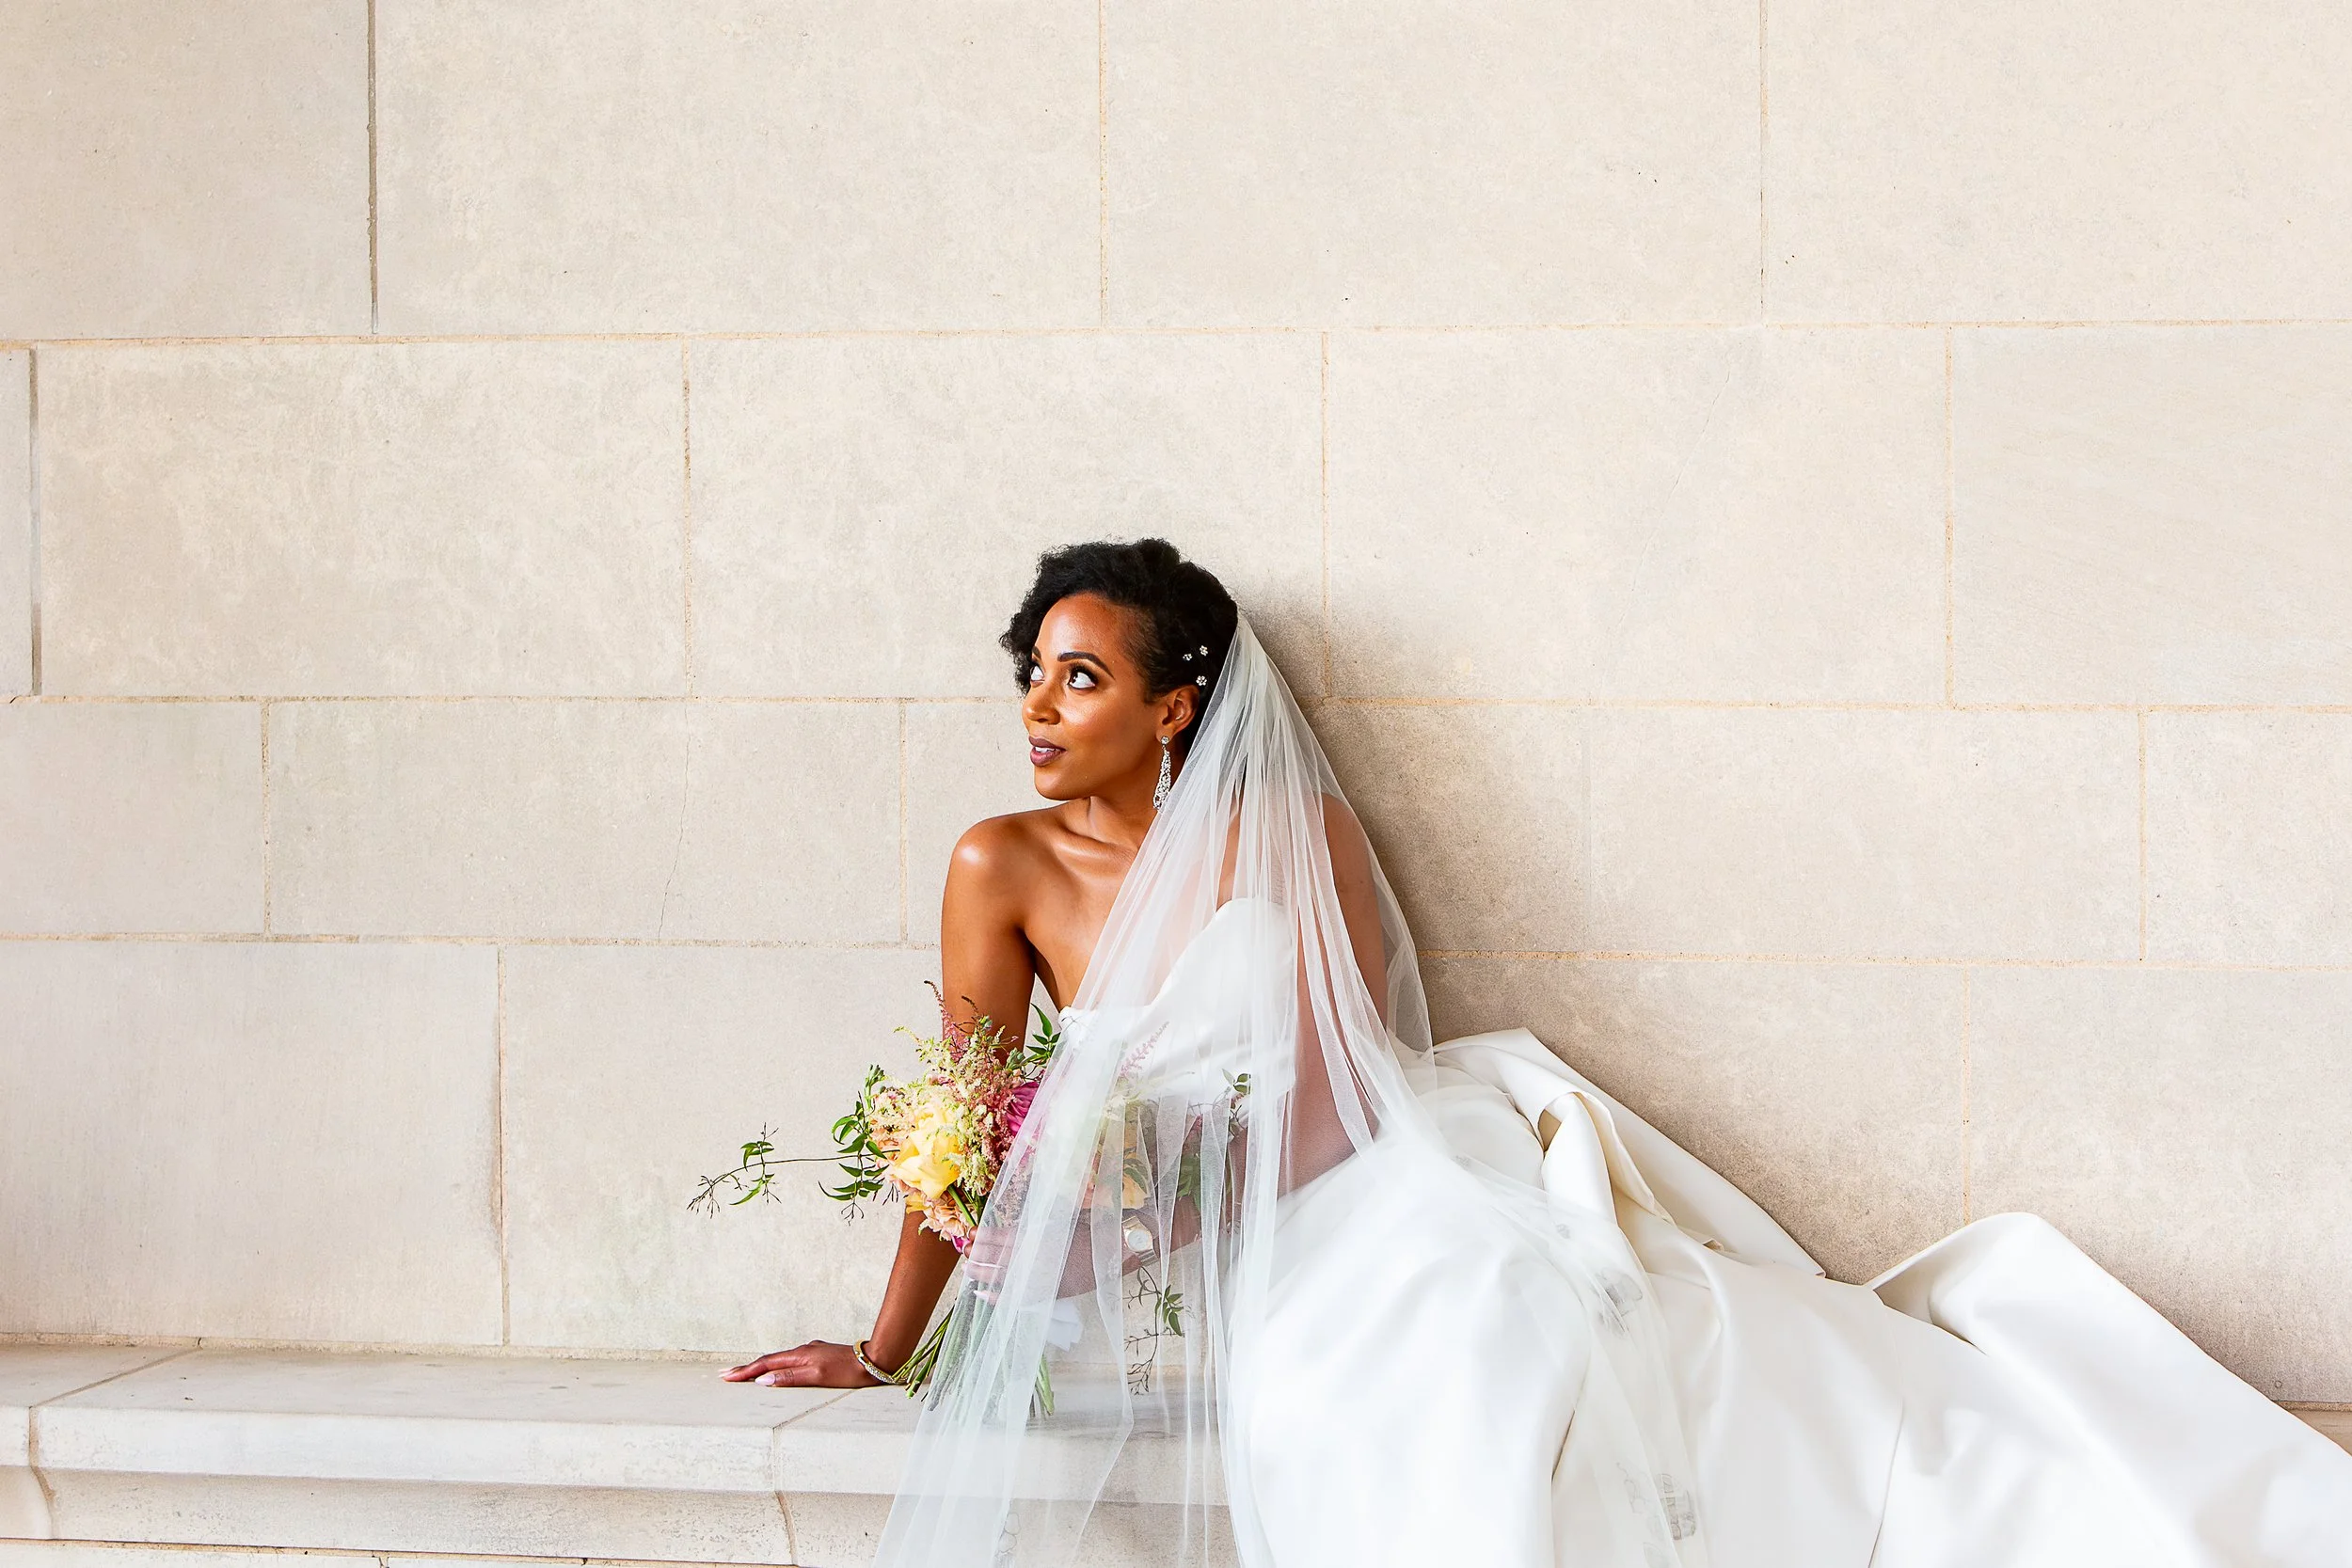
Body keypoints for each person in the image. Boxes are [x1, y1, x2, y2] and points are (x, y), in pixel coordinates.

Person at [724, 539, 2352, 1568]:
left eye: (1080, 673)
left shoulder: (1296, 833)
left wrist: (1150, 1224)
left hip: (1356, 1169)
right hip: (1194, 1221)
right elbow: (967, 1129)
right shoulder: (994, 864)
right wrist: (889, 1344)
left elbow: (1316, 1090)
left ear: (1175, 703)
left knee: (1502, 1317)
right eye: (1032, 671)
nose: (1038, 702)